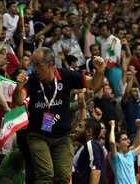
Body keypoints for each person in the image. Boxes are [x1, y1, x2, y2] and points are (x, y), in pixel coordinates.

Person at [12, 47, 105, 183]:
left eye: (38, 65)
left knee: (63, 177)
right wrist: (19, 86)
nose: (34, 68)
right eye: (33, 64)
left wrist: (99, 71)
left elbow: (94, 84)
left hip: (62, 137)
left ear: (50, 64)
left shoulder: (66, 75)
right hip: (39, 135)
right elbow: (17, 100)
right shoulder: (32, 80)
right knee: (46, 174)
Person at [72, 118, 106, 184]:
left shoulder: (91, 144)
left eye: (80, 126)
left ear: (89, 132)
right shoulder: (91, 145)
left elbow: (96, 170)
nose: (76, 129)